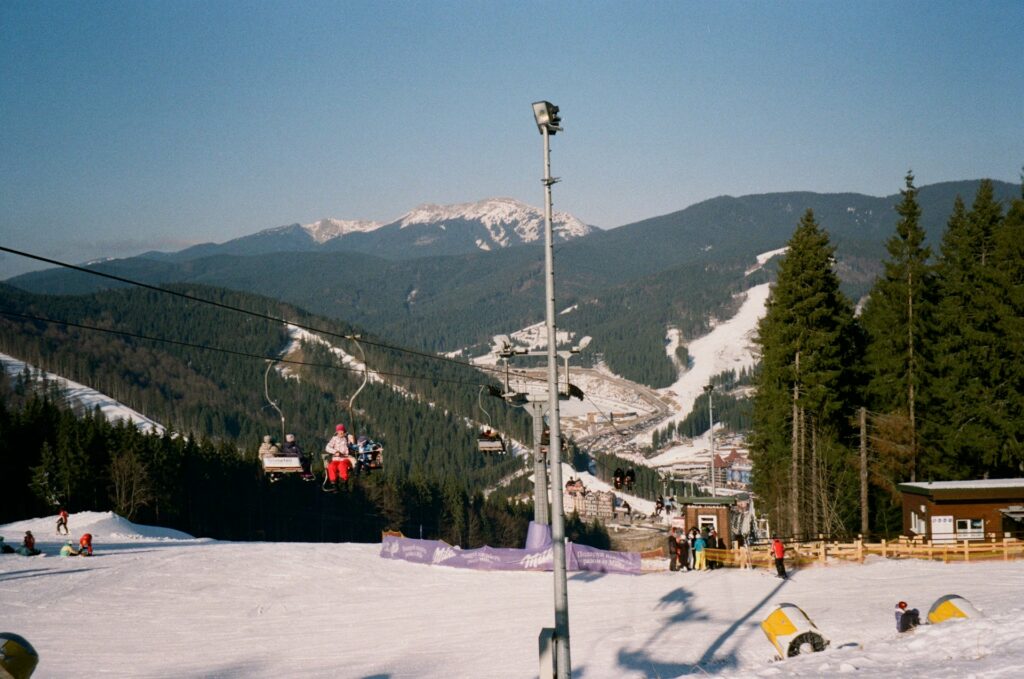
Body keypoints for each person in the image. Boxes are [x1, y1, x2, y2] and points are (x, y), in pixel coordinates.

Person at [324, 424, 354, 490]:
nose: (341, 432)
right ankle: (334, 484)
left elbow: (354, 442)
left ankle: (344, 482)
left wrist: (350, 437)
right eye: (340, 431)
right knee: (331, 466)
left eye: (342, 431)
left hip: (346, 458)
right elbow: (327, 447)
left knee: (342, 465)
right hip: (336, 459)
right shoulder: (334, 438)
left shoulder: (347, 437)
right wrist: (335, 451)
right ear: (337, 432)